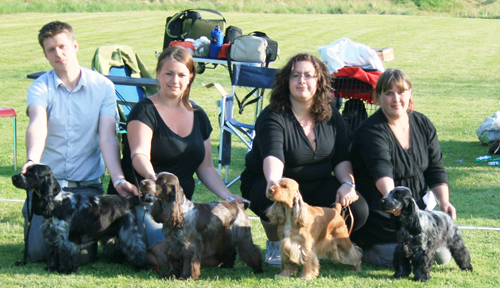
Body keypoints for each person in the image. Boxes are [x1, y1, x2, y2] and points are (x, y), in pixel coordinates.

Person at [107, 46, 247, 269]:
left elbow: (206, 168)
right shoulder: (144, 110)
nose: (175, 80)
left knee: (216, 256)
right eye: (168, 73)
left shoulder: (199, 115)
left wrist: (227, 195)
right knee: (171, 257)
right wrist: (156, 180)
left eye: (182, 74)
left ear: (190, 77)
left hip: (182, 209)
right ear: (158, 74)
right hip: (143, 202)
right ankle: (121, 243)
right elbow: (138, 154)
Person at [21, 21, 138, 263]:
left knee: (80, 255)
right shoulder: (40, 87)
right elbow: (37, 124)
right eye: (50, 49)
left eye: (62, 46)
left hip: (86, 188)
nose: (58, 53)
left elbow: (107, 137)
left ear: (75, 46)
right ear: (45, 54)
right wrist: (32, 159)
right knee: (39, 253)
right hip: (49, 190)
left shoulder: (103, 86)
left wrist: (118, 179)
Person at [240, 53, 369, 267]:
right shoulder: (273, 116)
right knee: (273, 196)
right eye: (295, 75)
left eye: (309, 75)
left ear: (319, 82)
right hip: (269, 180)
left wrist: (348, 184)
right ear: (286, 81)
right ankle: (276, 242)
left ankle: (320, 244)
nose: (302, 80)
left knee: (359, 209)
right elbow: (273, 156)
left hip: (316, 183)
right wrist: (274, 182)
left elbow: (341, 158)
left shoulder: (332, 116)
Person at [350, 68, 455, 267]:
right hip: (383, 215)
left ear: (410, 94)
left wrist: (444, 202)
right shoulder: (371, 131)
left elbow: (435, 168)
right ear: (378, 97)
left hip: (417, 214)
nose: (396, 99)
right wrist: (394, 202)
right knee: (411, 258)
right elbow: (382, 170)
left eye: (401, 92)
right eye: (389, 93)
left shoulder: (423, 123)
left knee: (442, 256)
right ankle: (361, 250)